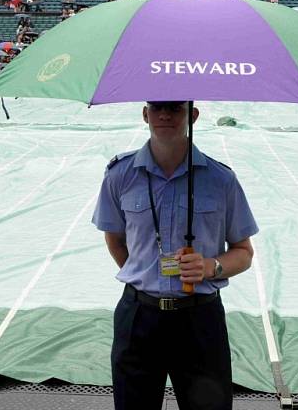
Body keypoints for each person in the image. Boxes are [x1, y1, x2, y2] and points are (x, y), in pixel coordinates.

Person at [92, 101, 258, 410]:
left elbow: (244, 252)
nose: (164, 115)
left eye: (174, 108)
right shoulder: (121, 175)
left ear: (192, 115)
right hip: (139, 318)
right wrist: (144, 274)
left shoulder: (221, 180)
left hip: (199, 320)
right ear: (145, 114)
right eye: (156, 108)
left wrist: (211, 266)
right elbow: (115, 240)